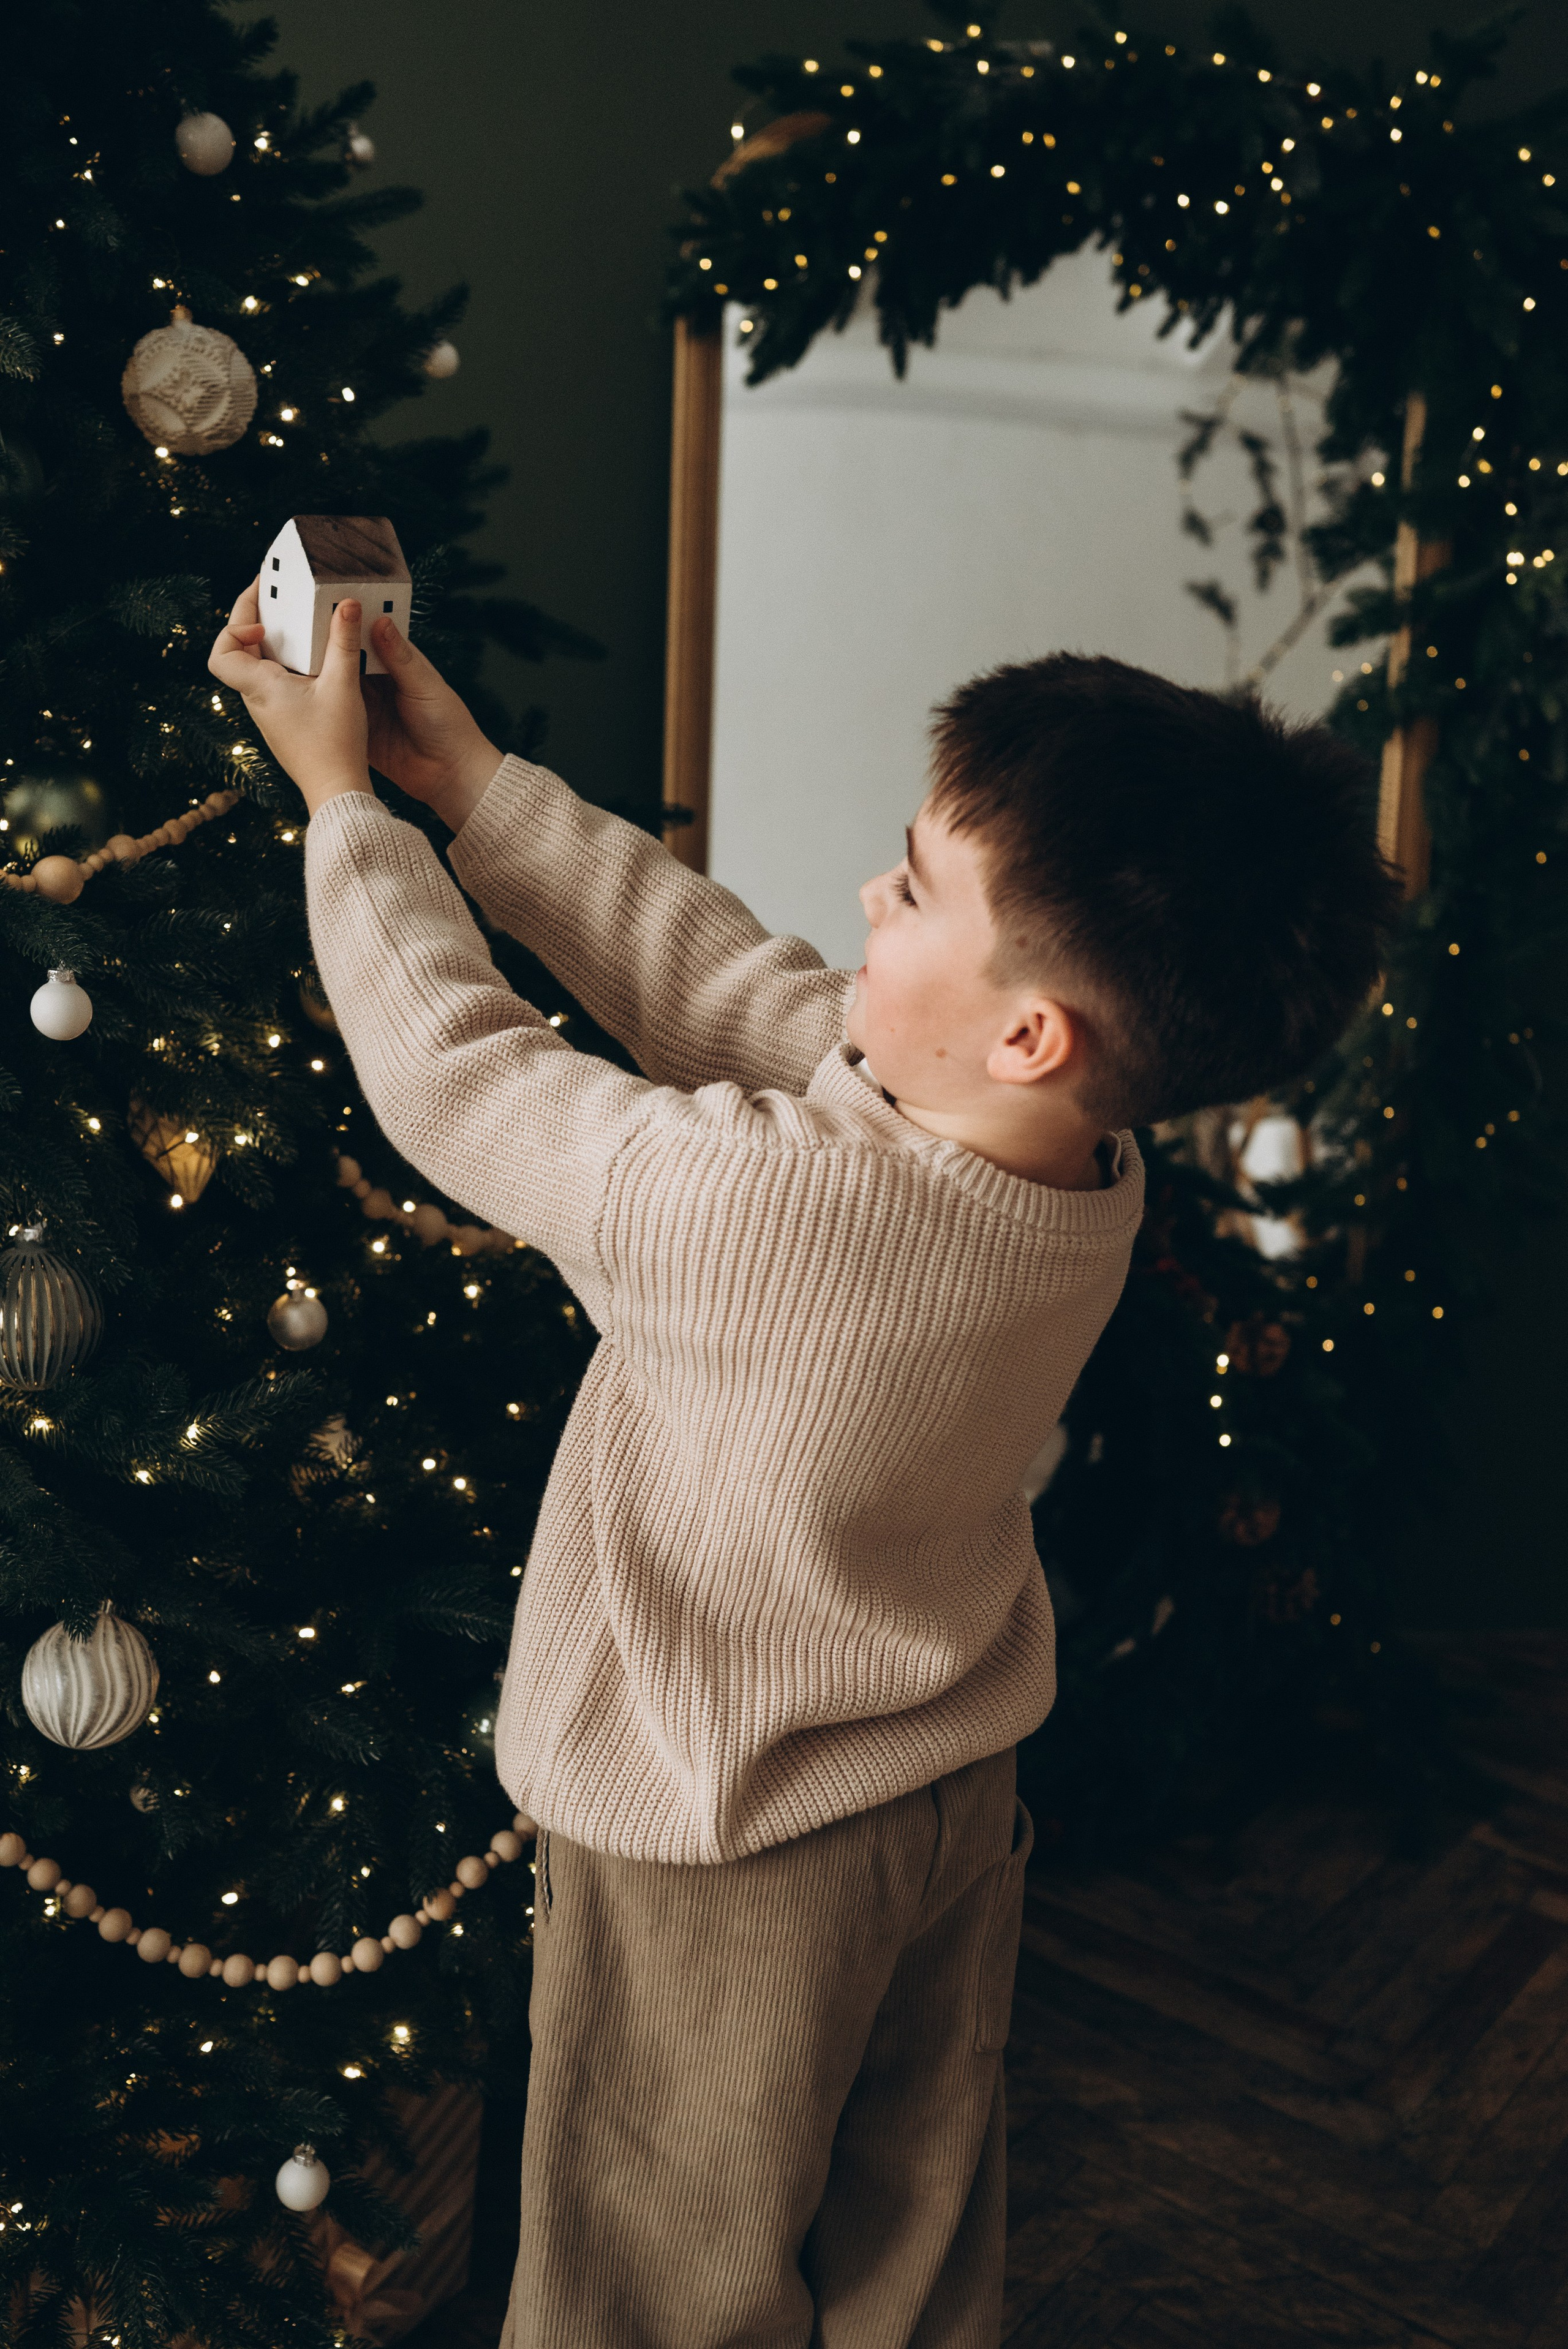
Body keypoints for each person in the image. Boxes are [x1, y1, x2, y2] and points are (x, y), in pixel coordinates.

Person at [209, 586, 1398, 2349]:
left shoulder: (764, 1209)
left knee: (647, 2289)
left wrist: (348, 809)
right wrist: (471, 779)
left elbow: (462, 1076)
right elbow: (746, 993)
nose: (868, 898)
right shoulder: (1074, 1169)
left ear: (1029, 1033)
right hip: (945, 1792)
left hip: (725, 1831)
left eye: (915, 887)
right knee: (909, 2256)